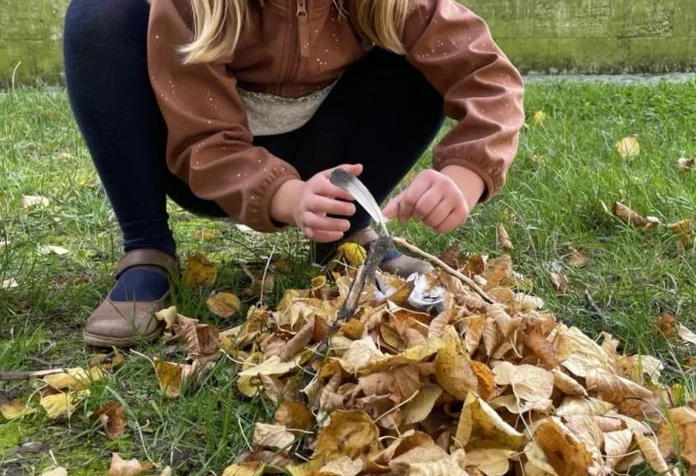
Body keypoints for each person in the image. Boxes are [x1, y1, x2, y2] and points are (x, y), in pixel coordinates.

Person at [63, 0, 525, 347]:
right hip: (201, 164)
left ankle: (346, 232)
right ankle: (147, 251)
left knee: (419, 46)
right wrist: (286, 196)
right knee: (100, 13)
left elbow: (490, 78)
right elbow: (204, 142)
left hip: (326, 152)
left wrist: (467, 174)